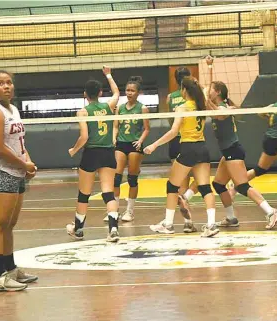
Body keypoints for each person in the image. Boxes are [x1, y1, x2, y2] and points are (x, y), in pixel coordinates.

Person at [182, 81, 277, 229]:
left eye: (211, 89)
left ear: (218, 93)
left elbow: (219, 114)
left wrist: (205, 90)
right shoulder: (218, 107)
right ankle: (231, 218)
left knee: (242, 186)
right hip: (228, 153)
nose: (208, 91)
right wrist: (202, 89)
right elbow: (207, 105)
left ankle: (270, 211)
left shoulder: (223, 108)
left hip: (233, 151)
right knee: (218, 184)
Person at [0, 70, 38, 292]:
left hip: (17, 172)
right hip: (0, 171)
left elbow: (19, 142)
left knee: (9, 225)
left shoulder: (13, 109)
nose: (6, 86)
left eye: (9, 83)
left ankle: (10, 269)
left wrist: (29, 162)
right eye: (1, 83)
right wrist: (23, 165)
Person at [144, 76, 219, 237]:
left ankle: (168, 224)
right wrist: (209, 67)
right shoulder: (201, 105)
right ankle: (211, 224)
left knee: (172, 186)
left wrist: (154, 145)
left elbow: (173, 132)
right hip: (202, 148)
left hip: (188, 148)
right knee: (205, 187)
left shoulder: (182, 108)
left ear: (184, 90)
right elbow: (205, 88)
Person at [66, 65, 120, 242]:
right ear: (100, 93)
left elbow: (84, 136)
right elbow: (117, 94)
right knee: (108, 193)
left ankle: (79, 230)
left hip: (91, 154)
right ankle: (113, 230)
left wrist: (74, 150)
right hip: (108, 153)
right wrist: (109, 75)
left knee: (84, 194)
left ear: (84, 94)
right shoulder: (107, 106)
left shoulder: (83, 112)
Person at [104, 76, 149, 222]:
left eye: (132, 91)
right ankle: (114, 211)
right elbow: (116, 126)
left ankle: (130, 211)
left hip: (135, 145)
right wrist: (113, 138)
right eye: (127, 90)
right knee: (116, 179)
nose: (129, 93)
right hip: (121, 144)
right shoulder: (120, 108)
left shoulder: (142, 108)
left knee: (132, 179)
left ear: (138, 92)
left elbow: (147, 129)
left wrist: (140, 141)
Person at [167, 67, 197, 233]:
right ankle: (188, 222)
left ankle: (188, 222)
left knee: (179, 183)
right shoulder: (195, 96)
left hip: (175, 142)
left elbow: (170, 121)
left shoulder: (171, 97)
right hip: (190, 140)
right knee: (199, 179)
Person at [245, 86, 277, 181]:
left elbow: (260, 112)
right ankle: (237, 184)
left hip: (270, 140)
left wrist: (270, 117)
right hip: (273, 141)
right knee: (260, 170)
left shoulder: (274, 105)